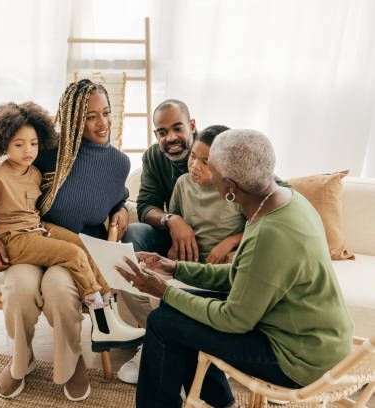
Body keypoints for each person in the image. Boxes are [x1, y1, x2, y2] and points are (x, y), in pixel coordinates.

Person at [115, 129, 354, 408]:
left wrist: (164, 291)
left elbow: (233, 319)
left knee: (164, 322)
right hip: (305, 331)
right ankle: (223, 404)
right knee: (175, 314)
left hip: (298, 357)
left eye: (210, 167)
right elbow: (245, 275)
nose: (204, 171)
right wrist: (177, 268)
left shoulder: (271, 234)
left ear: (230, 186)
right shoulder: (285, 199)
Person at [0, 80, 135, 401]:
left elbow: (118, 197)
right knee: (18, 291)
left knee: (60, 292)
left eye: (106, 113)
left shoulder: (119, 163)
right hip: (31, 241)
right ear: (73, 118)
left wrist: (122, 210)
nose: (102, 123)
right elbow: (4, 185)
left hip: (76, 246)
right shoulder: (46, 151)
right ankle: (21, 360)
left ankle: (70, 362)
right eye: (91, 116)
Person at [118, 99, 199, 383]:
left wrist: (232, 244)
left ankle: (177, 342)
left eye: (177, 128)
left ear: (192, 126)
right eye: (162, 132)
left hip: (213, 240)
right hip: (172, 237)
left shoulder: (215, 148)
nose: (170, 138)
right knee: (128, 240)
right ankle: (153, 336)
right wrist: (172, 221)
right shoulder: (154, 157)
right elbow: (145, 206)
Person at [167, 125, 245, 264]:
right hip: (189, 263)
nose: (195, 166)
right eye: (193, 155)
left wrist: (231, 242)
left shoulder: (238, 189)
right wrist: (174, 243)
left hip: (223, 264)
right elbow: (175, 221)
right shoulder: (183, 183)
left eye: (205, 162)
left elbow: (259, 227)